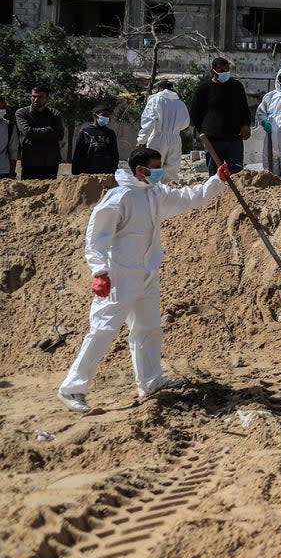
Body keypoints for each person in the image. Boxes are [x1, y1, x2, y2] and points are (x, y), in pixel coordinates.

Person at [57, 147, 230, 413]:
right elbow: (96, 237)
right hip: (120, 276)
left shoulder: (154, 194)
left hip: (147, 274)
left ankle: (150, 381)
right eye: (156, 166)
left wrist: (216, 180)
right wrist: (99, 271)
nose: (160, 171)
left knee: (148, 329)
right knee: (102, 331)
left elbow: (187, 197)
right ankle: (72, 388)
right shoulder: (120, 197)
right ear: (140, 170)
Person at [190, 57, 251, 175]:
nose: (224, 73)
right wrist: (201, 131)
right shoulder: (204, 89)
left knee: (236, 173)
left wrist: (246, 124)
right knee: (215, 174)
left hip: (234, 138)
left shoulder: (236, 86)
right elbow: (195, 112)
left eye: (227, 70)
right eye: (221, 71)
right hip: (213, 139)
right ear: (213, 71)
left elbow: (244, 108)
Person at [137, 79, 191, 181]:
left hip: (158, 137)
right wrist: (174, 129)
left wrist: (141, 139)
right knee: (172, 170)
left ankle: (153, 192)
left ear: (160, 88)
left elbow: (149, 121)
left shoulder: (155, 100)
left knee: (153, 168)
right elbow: (186, 123)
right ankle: (170, 192)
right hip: (175, 138)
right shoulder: (180, 103)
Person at [15, 86, 64, 179]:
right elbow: (28, 133)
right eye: (33, 96)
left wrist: (36, 133)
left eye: (40, 97)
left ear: (47, 98)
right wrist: (48, 130)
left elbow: (59, 135)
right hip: (31, 161)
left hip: (50, 161)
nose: (36, 99)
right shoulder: (22, 113)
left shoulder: (55, 114)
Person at [71, 105, 120, 176]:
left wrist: (113, 170)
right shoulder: (85, 132)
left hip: (105, 172)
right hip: (87, 171)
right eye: (103, 115)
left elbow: (115, 153)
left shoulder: (110, 133)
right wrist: (76, 172)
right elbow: (78, 153)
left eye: (107, 116)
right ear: (95, 115)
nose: (106, 118)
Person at [0, 95, 20, 179]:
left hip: (3, 172)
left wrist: (12, 173)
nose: (1, 111)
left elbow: (13, 151)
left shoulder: (10, 127)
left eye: (2, 108)